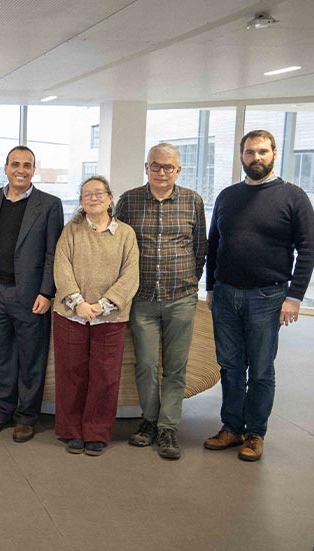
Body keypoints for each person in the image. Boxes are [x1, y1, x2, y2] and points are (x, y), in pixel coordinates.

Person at [203, 129, 314, 462]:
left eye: (263, 152)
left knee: (262, 368)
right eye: (250, 152)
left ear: (275, 153)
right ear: (241, 156)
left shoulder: (293, 197)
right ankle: (231, 427)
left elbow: (308, 250)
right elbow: (214, 244)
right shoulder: (227, 196)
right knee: (230, 366)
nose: (256, 158)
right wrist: (210, 287)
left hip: (268, 297)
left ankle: (255, 433)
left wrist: (294, 297)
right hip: (225, 294)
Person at [115, 143, 207, 460]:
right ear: (147, 167)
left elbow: (200, 249)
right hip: (142, 299)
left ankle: (168, 429)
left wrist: (188, 281)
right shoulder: (129, 201)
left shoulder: (193, 201)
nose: (162, 172)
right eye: (156, 166)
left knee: (176, 368)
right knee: (146, 365)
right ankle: (149, 422)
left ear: (178, 170)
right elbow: (117, 245)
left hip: (180, 298)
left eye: (168, 167)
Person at [0, 146, 63, 443]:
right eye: (15, 164)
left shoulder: (49, 205)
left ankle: (26, 416)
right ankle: (1, 411)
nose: (21, 170)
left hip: (29, 295)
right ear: (5, 167)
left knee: (31, 359)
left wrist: (46, 292)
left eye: (27, 165)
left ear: (34, 170)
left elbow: (54, 252)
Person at [53, 176, 139, 456]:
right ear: (80, 201)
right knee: (71, 373)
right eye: (87, 194)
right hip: (71, 314)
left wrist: (103, 305)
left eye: (99, 193)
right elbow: (61, 267)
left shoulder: (126, 234)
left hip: (110, 317)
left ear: (110, 197)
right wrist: (78, 303)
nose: (93, 198)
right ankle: (71, 430)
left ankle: (97, 432)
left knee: (105, 375)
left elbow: (130, 274)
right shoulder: (71, 231)